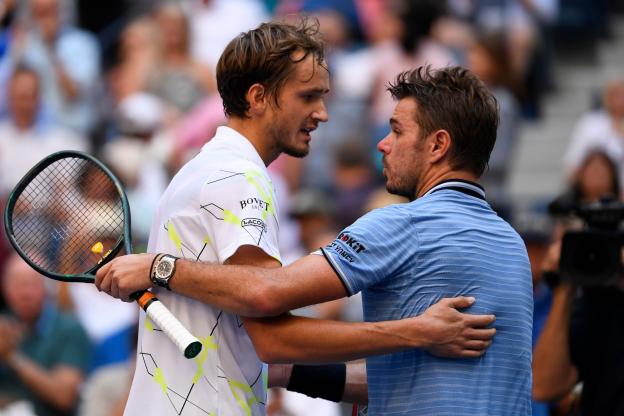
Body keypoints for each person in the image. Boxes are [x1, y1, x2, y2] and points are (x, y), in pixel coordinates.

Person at [95, 21, 498, 416]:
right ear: (258, 98)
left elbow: (266, 345)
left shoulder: (205, 166)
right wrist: (417, 332)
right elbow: (271, 330)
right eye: (308, 97)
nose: (322, 113)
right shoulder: (240, 177)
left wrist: (157, 268)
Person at [0, 253, 91, 416]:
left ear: (47, 287)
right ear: (5, 289)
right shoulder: (4, 324)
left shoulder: (69, 328)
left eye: (30, 284)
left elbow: (64, 397)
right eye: (17, 284)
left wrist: (11, 356)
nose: (24, 293)